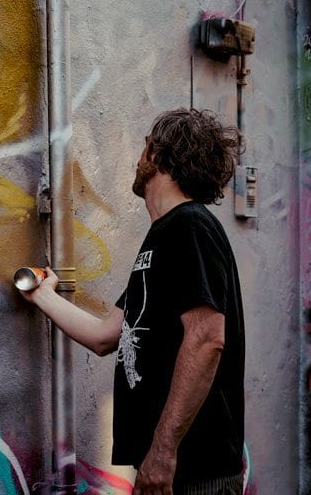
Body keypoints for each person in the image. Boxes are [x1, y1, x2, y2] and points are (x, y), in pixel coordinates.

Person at [21, 108, 245, 495]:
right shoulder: (161, 239)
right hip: (167, 468)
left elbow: (208, 338)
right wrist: (42, 294)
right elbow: (107, 336)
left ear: (160, 156)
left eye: (144, 149)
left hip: (193, 472)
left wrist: (164, 451)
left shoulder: (190, 227)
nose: (137, 159)